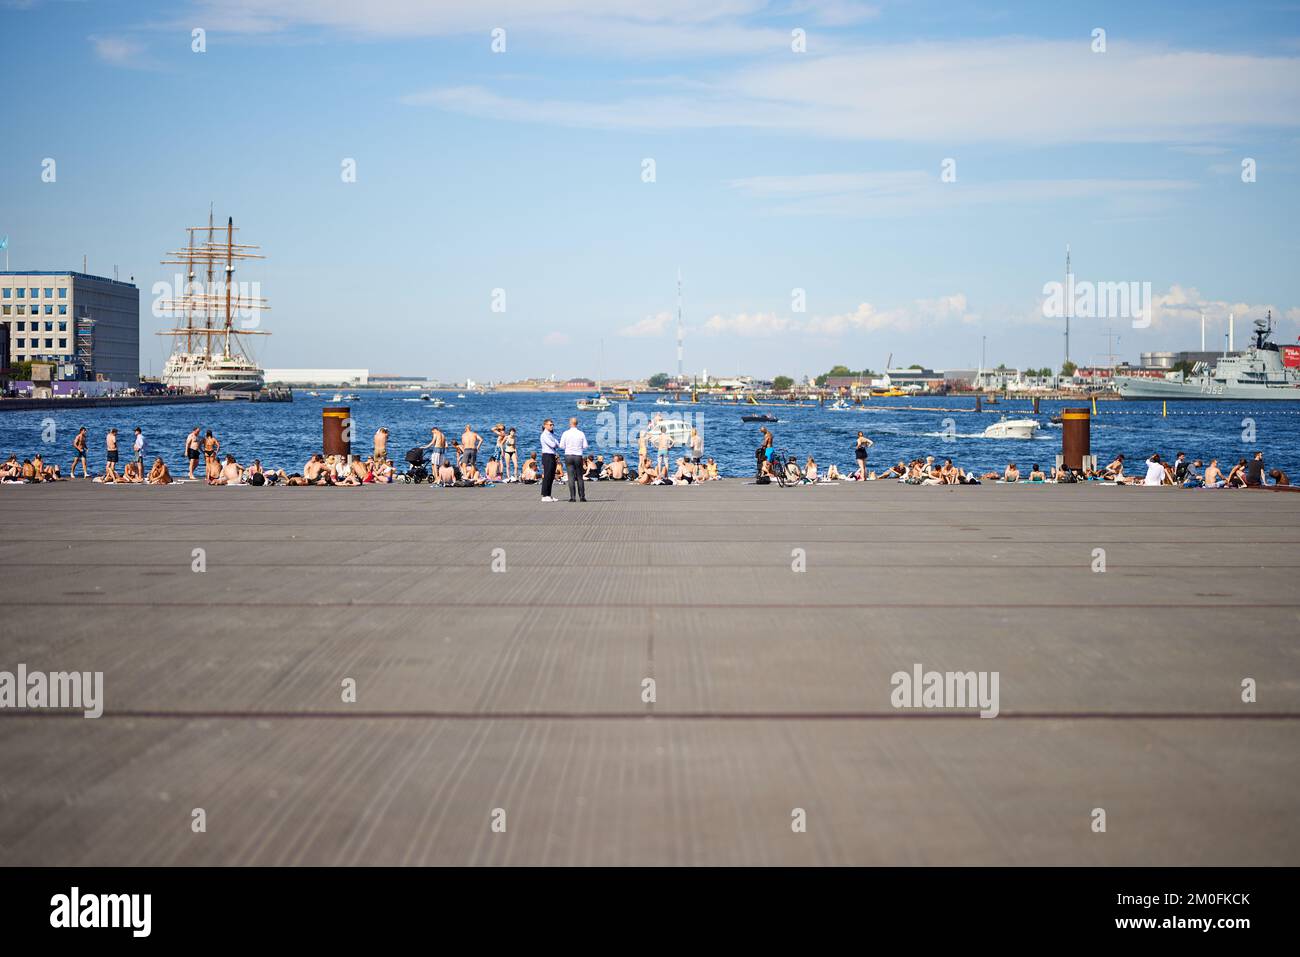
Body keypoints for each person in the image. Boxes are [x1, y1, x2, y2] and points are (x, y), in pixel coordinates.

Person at [559, 416, 588, 503]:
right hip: (578, 455)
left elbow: (561, 446)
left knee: (571, 477)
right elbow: (585, 446)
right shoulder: (581, 433)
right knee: (579, 477)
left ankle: (572, 497)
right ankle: (582, 497)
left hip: (568, 455)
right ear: (577, 423)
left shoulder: (565, 433)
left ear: (570, 423)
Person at [539, 419, 560, 502]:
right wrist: (555, 443)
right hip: (547, 455)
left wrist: (555, 444)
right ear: (545, 425)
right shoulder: (544, 435)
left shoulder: (551, 434)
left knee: (551, 476)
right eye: (550, 424)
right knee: (547, 475)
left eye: (552, 424)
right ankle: (544, 495)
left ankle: (549, 494)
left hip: (552, 455)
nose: (552, 426)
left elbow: (557, 443)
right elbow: (553, 444)